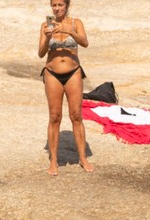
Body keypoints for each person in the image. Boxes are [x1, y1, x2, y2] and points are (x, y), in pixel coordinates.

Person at [38, 0, 93, 175]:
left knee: (76, 115)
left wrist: (70, 31)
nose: (57, 8)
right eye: (54, 5)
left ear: (67, 5)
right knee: (54, 116)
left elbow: (85, 42)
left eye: (60, 5)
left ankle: (83, 158)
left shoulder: (76, 23)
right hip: (52, 72)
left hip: (73, 72)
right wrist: (47, 37)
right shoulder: (45, 25)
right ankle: (53, 161)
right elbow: (41, 53)